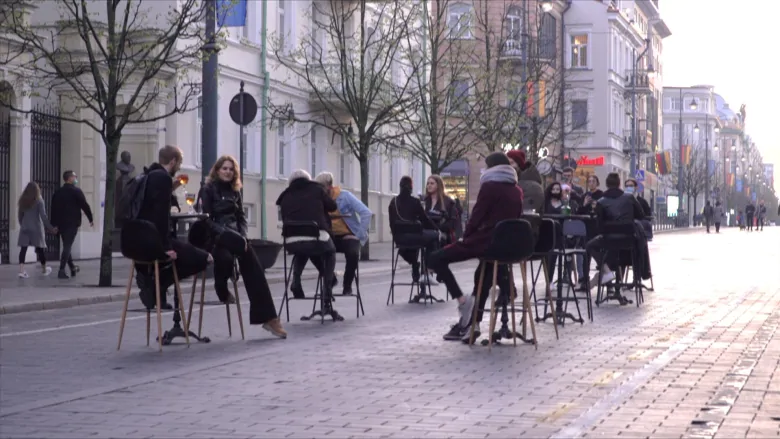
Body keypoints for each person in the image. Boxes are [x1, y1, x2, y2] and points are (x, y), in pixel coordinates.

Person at [428, 152, 523, 341]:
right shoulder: (516, 190)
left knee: (435, 258)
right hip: (506, 246)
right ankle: (472, 323)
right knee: (483, 276)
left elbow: (477, 216)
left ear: (492, 168)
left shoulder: (489, 187)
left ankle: (463, 303)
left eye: (487, 166)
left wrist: (465, 238)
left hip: (486, 242)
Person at [198, 155, 286, 338]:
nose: (228, 172)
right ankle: (221, 288)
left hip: (235, 238)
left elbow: (241, 218)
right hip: (214, 237)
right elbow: (205, 219)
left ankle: (269, 318)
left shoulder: (235, 191)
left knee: (255, 268)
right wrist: (225, 234)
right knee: (225, 257)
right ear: (217, 170)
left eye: (231, 169)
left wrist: (242, 236)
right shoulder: (207, 189)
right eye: (225, 168)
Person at [134, 145, 211, 310]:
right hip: (154, 241)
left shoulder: (148, 175)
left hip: (136, 239)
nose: (180, 167)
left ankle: (155, 288)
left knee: (177, 258)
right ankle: (157, 284)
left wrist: (172, 187)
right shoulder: (163, 178)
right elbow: (159, 215)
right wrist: (166, 248)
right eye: (180, 163)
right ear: (173, 161)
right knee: (204, 258)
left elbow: (150, 206)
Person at [289, 172, 372, 297]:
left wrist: (358, 235)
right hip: (327, 236)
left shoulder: (345, 196)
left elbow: (366, 213)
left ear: (329, 186)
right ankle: (329, 281)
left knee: (353, 253)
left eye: (321, 187)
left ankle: (347, 285)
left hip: (346, 236)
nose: (318, 191)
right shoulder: (317, 198)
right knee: (312, 250)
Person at [276, 169, 338, 303]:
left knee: (303, 248)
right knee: (330, 251)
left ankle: (296, 281)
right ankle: (327, 290)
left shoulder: (285, 195)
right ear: (308, 179)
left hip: (291, 240)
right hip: (316, 236)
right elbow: (333, 206)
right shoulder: (317, 189)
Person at [586, 173, 649, 296]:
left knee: (589, 245)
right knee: (622, 251)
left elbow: (599, 224)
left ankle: (606, 270)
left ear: (607, 185)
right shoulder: (629, 198)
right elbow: (641, 215)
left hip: (608, 240)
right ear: (619, 184)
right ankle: (616, 283)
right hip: (628, 241)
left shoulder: (601, 201)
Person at [388, 176, 440, 287]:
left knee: (412, 244)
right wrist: (436, 229)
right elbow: (425, 220)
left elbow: (391, 223)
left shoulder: (393, 202)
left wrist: (396, 236)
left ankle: (415, 264)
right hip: (415, 237)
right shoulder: (415, 202)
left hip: (399, 239)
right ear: (411, 188)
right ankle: (427, 272)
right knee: (433, 237)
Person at [50, 170, 94, 279]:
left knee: (66, 245)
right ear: (69, 178)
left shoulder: (58, 192)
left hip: (61, 224)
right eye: (75, 177)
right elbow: (85, 205)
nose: (76, 179)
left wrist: (53, 224)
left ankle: (72, 267)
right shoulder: (76, 191)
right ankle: (61, 270)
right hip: (72, 223)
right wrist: (90, 219)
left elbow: (53, 209)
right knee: (67, 246)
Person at [16, 182, 56, 278]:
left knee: (23, 249)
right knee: (40, 249)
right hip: (37, 229)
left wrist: (23, 224)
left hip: (25, 228)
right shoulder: (39, 200)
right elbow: (43, 216)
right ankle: (44, 269)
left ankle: (21, 271)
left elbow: (20, 215)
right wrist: (51, 228)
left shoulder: (23, 200)